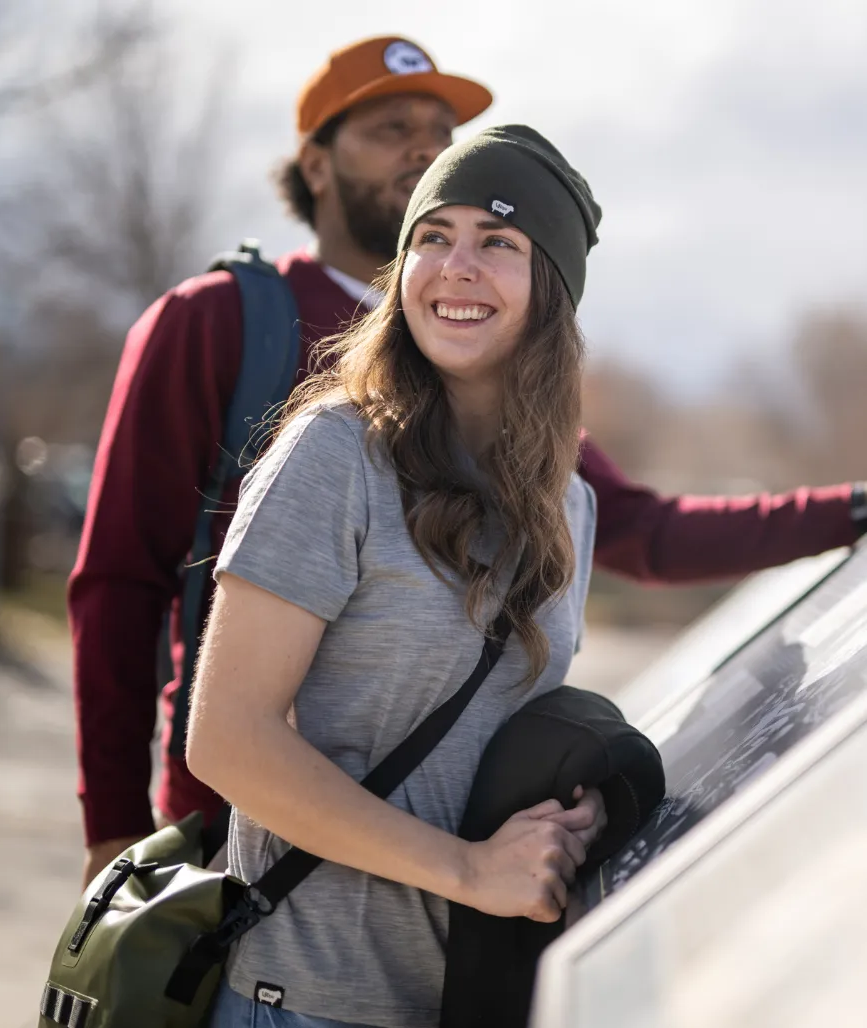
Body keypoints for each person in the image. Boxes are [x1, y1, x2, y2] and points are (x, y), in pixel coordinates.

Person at [70, 35, 865, 886]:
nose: (422, 145)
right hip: (234, 849)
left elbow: (642, 532)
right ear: (315, 163)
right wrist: (114, 828)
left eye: (439, 129)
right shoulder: (219, 320)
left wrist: (850, 509)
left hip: (440, 883)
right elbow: (121, 582)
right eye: (388, 126)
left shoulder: (490, 364)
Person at [188, 122, 606, 1028]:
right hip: (304, 1003)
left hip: (463, 998)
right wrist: (468, 870)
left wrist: (576, 819)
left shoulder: (569, 505)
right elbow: (226, 740)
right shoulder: (337, 456)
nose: (456, 266)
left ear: (554, 287)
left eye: (498, 241)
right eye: (432, 237)